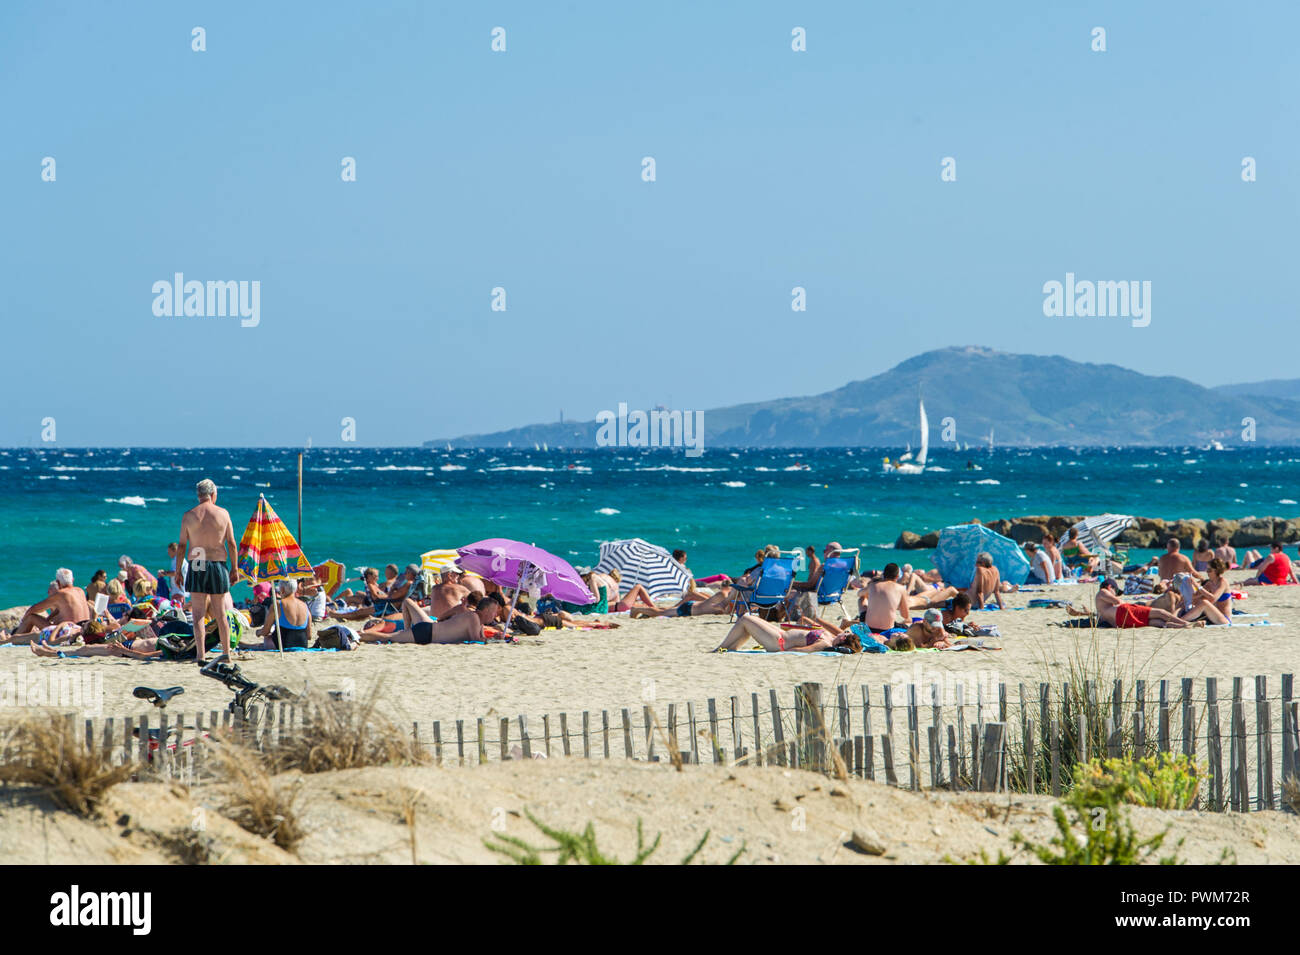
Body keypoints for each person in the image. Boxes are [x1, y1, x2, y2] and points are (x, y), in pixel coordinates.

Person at [176, 478, 240, 663]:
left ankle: (201, 655)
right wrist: (234, 568)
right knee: (220, 613)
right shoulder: (223, 514)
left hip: (197, 562)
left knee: (198, 614)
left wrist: (179, 570)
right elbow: (232, 544)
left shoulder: (188, 515)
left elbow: (181, 546)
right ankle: (226, 653)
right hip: (217, 562)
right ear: (214, 494)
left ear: (198, 496)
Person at [361, 592, 505, 645]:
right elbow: (477, 639)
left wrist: (495, 637)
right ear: (485, 610)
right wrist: (494, 640)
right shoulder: (474, 617)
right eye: (493, 612)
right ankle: (358, 635)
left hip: (428, 627)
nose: (495, 616)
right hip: (427, 633)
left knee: (408, 603)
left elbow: (480, 638)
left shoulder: (477, 621)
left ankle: (407, 630)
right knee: (388, 638)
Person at [711, 612, 860, 653]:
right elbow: (818, 626)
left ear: (842, 640)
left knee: (745, 619)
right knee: (750, 620)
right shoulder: (831, 636)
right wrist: (808, 621)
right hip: (781, 634)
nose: (843, 632)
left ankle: (720, 648)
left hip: (779, 642)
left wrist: (784, 650)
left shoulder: (824, 643)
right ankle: (731, 647)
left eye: (844, 634)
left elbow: (803, 651)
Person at [8, 568, 91, 638]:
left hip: (67, 631)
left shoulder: (61, 594)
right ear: (72, 580)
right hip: (83, 629)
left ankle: (14, 637)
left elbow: (34, 609)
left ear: (58, 582)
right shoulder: (80, 591)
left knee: (31, 617)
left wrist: (23, 620)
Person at [1095, 579, 1198, 629]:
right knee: (1160, 612)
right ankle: (1185, 623)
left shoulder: (1100, 607)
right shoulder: (1103, 592)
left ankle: (1180, 626)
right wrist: (1122, 601)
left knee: (1154, 622)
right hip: (1123, 611)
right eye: (1115, 591)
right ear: (1109, 587)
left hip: (1119, 622)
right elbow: (1118, 602)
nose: (1116, 594)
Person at [258, 579, 312, 649]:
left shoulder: (278, 604)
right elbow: (309, 636)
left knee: (267, 639)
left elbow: (265, 631)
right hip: (302, 644)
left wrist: (258, 632)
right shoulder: (304, 605)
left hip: (282, 644)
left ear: (282, 589)